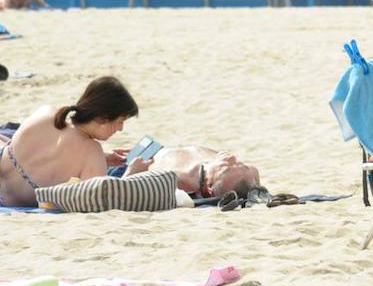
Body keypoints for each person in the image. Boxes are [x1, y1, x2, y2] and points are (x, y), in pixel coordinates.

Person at [0, 77, 144, 207]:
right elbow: (101, 201)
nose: (120, 128)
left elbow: (44, 153)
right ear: (102, 118)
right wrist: (131, 173)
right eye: (120, 121)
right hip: (11, 203)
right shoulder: (92, 151)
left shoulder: (46, 112)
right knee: (119, 172)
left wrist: (103, 158)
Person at [109, 145, 262, 199]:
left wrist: (132, 171)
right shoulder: (245, 176)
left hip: (128, 167)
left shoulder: (180, 180)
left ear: (209, 187)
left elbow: (120, 189)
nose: (232, 159)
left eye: (225, 168)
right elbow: (253, 172)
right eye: (241, 165)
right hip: (147, 151)